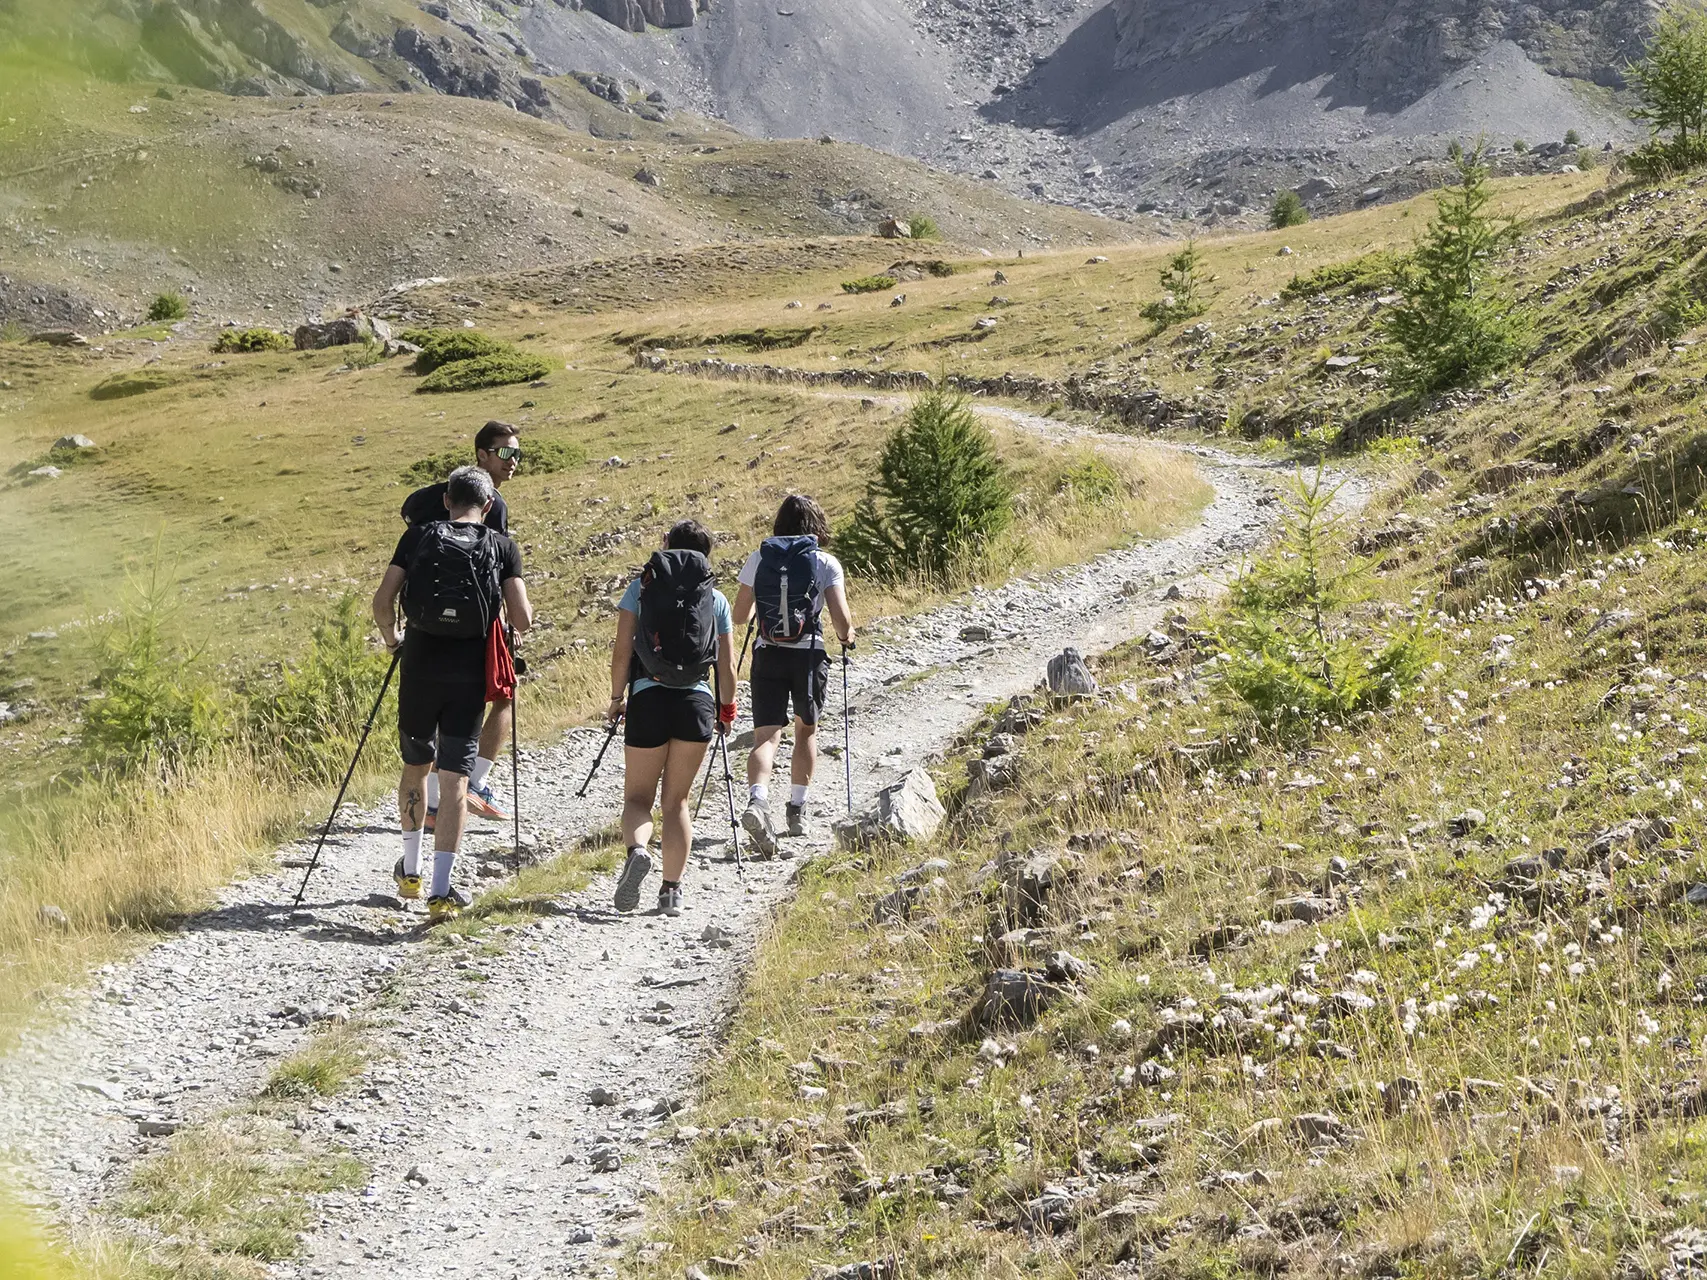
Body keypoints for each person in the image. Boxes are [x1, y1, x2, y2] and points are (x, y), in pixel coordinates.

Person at [374, 465, 531, 919]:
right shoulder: (501, 546)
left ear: (446, 500)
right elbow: (522, 618)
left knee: (415, 767)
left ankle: (411, 871)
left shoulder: (418, 537)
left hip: (420, 666)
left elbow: (382, 600)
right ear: (488, 506)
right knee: (455, 778)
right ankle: (441, 891)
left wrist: (393, 640)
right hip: (468, 676)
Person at [608, 520, 737, 917]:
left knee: (637, 798)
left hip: (648, 699)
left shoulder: (641, 589)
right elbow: (727, 667)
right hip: (696, 703)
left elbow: (622, 653)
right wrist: (726, 709)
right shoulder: (715, 600)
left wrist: (616, 699)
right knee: (677, 801)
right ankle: (672, 893)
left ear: (665, 548)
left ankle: (639, 851)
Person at [401, 420, 523, 827]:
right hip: (476, 631)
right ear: (482, 455)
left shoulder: (437, 500)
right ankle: (471, 785)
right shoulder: (494, 507)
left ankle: (433, 801)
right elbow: (494, 571)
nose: (513, 461)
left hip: (424, 630)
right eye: (505, 452)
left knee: (430, 714)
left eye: (517, 453)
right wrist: (507, 625)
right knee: (504, 694)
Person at [732, 494, 854, 854]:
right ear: (816, 525)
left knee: (766, 738)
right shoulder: (824, 561)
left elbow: (739, 616)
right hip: (809, 656)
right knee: (806, 732)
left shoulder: (760, 558)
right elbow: (841, 621)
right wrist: (848, 638)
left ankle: (758, 801)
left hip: (767, 653)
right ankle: (796, 808)